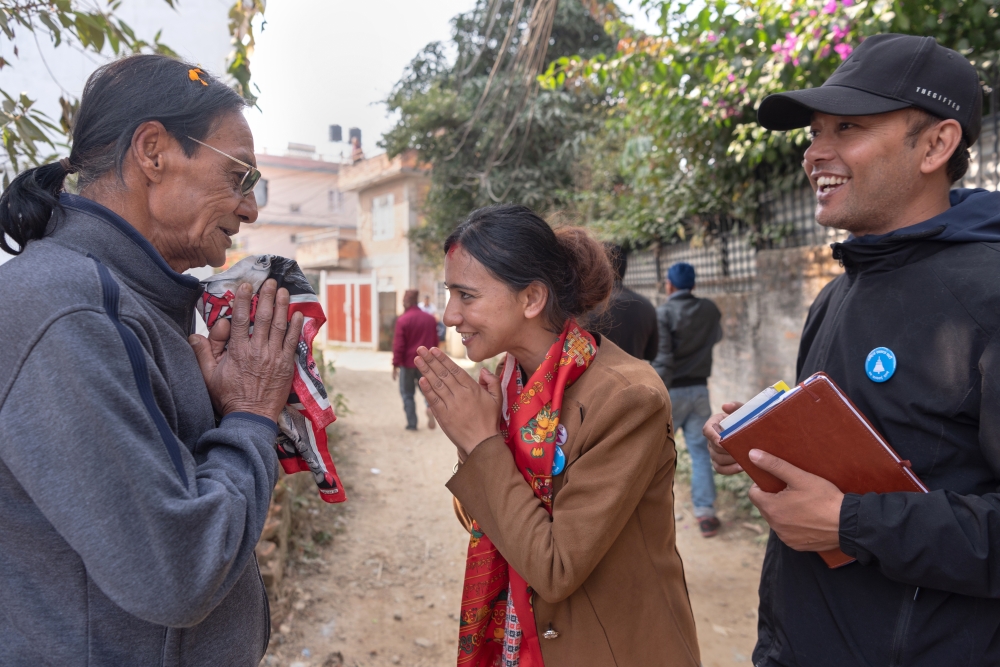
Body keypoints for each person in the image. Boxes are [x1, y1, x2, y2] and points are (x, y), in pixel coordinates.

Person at [703, 34, 1000, 666]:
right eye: (813, 133)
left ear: (937, 144)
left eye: (848, 127)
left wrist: (851, 524)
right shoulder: (836, 297)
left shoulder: (989, 296)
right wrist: (756, 443)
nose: (816, 154)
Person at [0, 56, 301, 665]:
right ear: (153, 151)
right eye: (238, 175)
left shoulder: (125, 298)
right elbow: (177, 570)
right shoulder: (68, 310)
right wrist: (247, 419)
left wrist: (216, 411)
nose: (250, 209)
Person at [413, 205, 700, 666]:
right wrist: (474, 443)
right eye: (451, 294)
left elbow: (555, 568)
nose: (450, 315)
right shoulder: (511, 378)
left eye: (466, 295)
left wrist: (483, 444)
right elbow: (481, 520)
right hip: (520, 634)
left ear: (531, 299)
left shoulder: (627, 399)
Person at [653, 262, 722, 536]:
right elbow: (716, 336)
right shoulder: (710, 309)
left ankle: (652, 521)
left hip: (672, 391)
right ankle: (706, 515)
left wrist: (656, 392)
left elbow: (663, 358)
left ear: (669, 285)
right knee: (701, 454)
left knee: (654, 456)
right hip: (699, 392)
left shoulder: (664, 312)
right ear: (693, 285)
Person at [586, 244, 658, 360]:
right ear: (625, 267)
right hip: (635, 376)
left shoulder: (587, 307)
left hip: (598, 377)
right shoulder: (646, 306)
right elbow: (652, 354)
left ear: (597, 267)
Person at [392, 289, 439, 430]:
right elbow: (435, 341)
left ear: (406, 302)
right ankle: (430, 407)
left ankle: (412, 424)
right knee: (427, 390)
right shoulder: (430, 319)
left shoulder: (403, 320)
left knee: (407, 394)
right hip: (425, 363)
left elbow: (399, 345)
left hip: (407, 364)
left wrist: (395, 364)